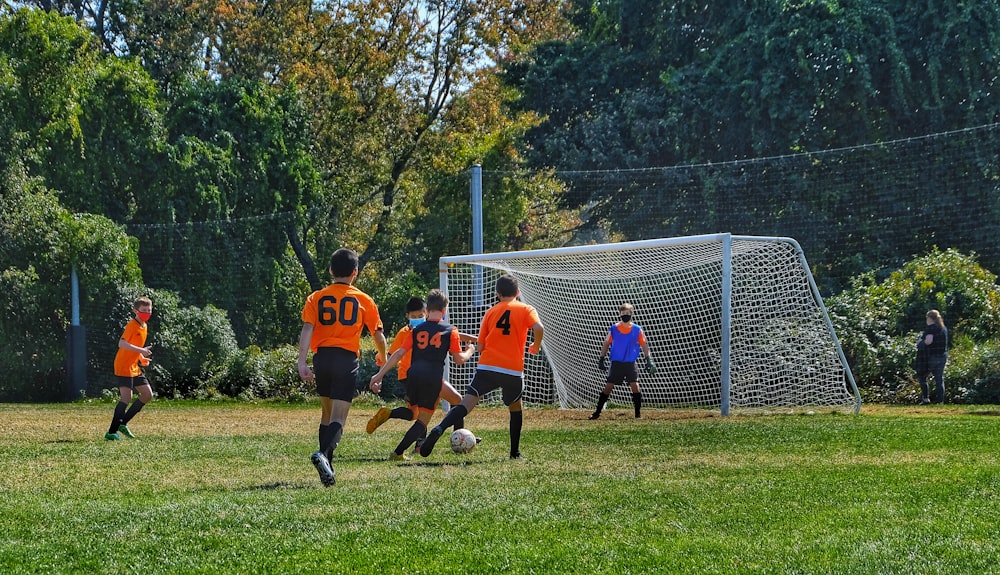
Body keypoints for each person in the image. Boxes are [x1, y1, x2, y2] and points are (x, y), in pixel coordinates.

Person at [419, 274, 544, 460]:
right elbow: (539, 328)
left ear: (498, 294)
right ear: (518, 292)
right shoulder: (526, 309)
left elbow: (480, 345)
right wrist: (536, 345)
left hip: (487, 366)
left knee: (466, 403)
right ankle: (514, 453)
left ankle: (440, 428)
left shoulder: (491, 312)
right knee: (515, 408)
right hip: (512, 369)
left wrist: (473, 348)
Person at [297, 248, 387, 486]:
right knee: (339, 417)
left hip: (322, 358)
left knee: (326, 414)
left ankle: (328, 469)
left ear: (330, 270)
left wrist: (301, 361)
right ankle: (324, 455)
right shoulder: (364, 299)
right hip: (346, 359)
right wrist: (382, 356)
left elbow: (307, 329)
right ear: (355, 272)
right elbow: (378, 335)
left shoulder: (316, 297)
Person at [369, 289, 475, 460]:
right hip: (431, 379)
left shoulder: (415, 330)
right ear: (444, 310)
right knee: (422, 421)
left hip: (413, 377)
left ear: (427, 310)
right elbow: (459, 360)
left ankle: (458, 437)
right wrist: (470, 350)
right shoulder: (450, 330)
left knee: (432, 409)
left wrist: (379, 375)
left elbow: (398, 354)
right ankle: (398, 452)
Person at [589, 302, 655, 420]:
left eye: (628, 313)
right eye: (623, 313)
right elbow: (606, 343)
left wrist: (648, 359)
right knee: (608, 386)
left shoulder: (637, 329)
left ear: (632, 314)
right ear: (620, 314)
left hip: (630, 363)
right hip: (616, 363)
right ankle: (597, 412)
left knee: (635, 385)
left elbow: (644, 344)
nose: (625, 315)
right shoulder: (614, 328)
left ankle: (638, 414)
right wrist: (601, 358)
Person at [105, 296, 154, 440]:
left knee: (147, 395)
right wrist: (141, 350)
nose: (147, 313)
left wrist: (141, 357)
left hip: (134, 366)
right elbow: (122, 344)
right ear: (135, 311)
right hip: (123, 365)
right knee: (126, 398)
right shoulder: (132, 325)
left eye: (149, 310)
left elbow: (134, 348)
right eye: (143, 310)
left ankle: (123, 423)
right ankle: (111, 432)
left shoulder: (144, 326)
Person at [917, 309, 948, 404]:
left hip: (931, 357)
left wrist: (920, 342)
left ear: (930, 318)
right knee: (939, 379)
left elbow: (928, 341)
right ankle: (940, 401)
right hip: (942, 356)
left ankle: (926, 398)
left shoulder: (931, 328)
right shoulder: (943, 328)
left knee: (922, 376)